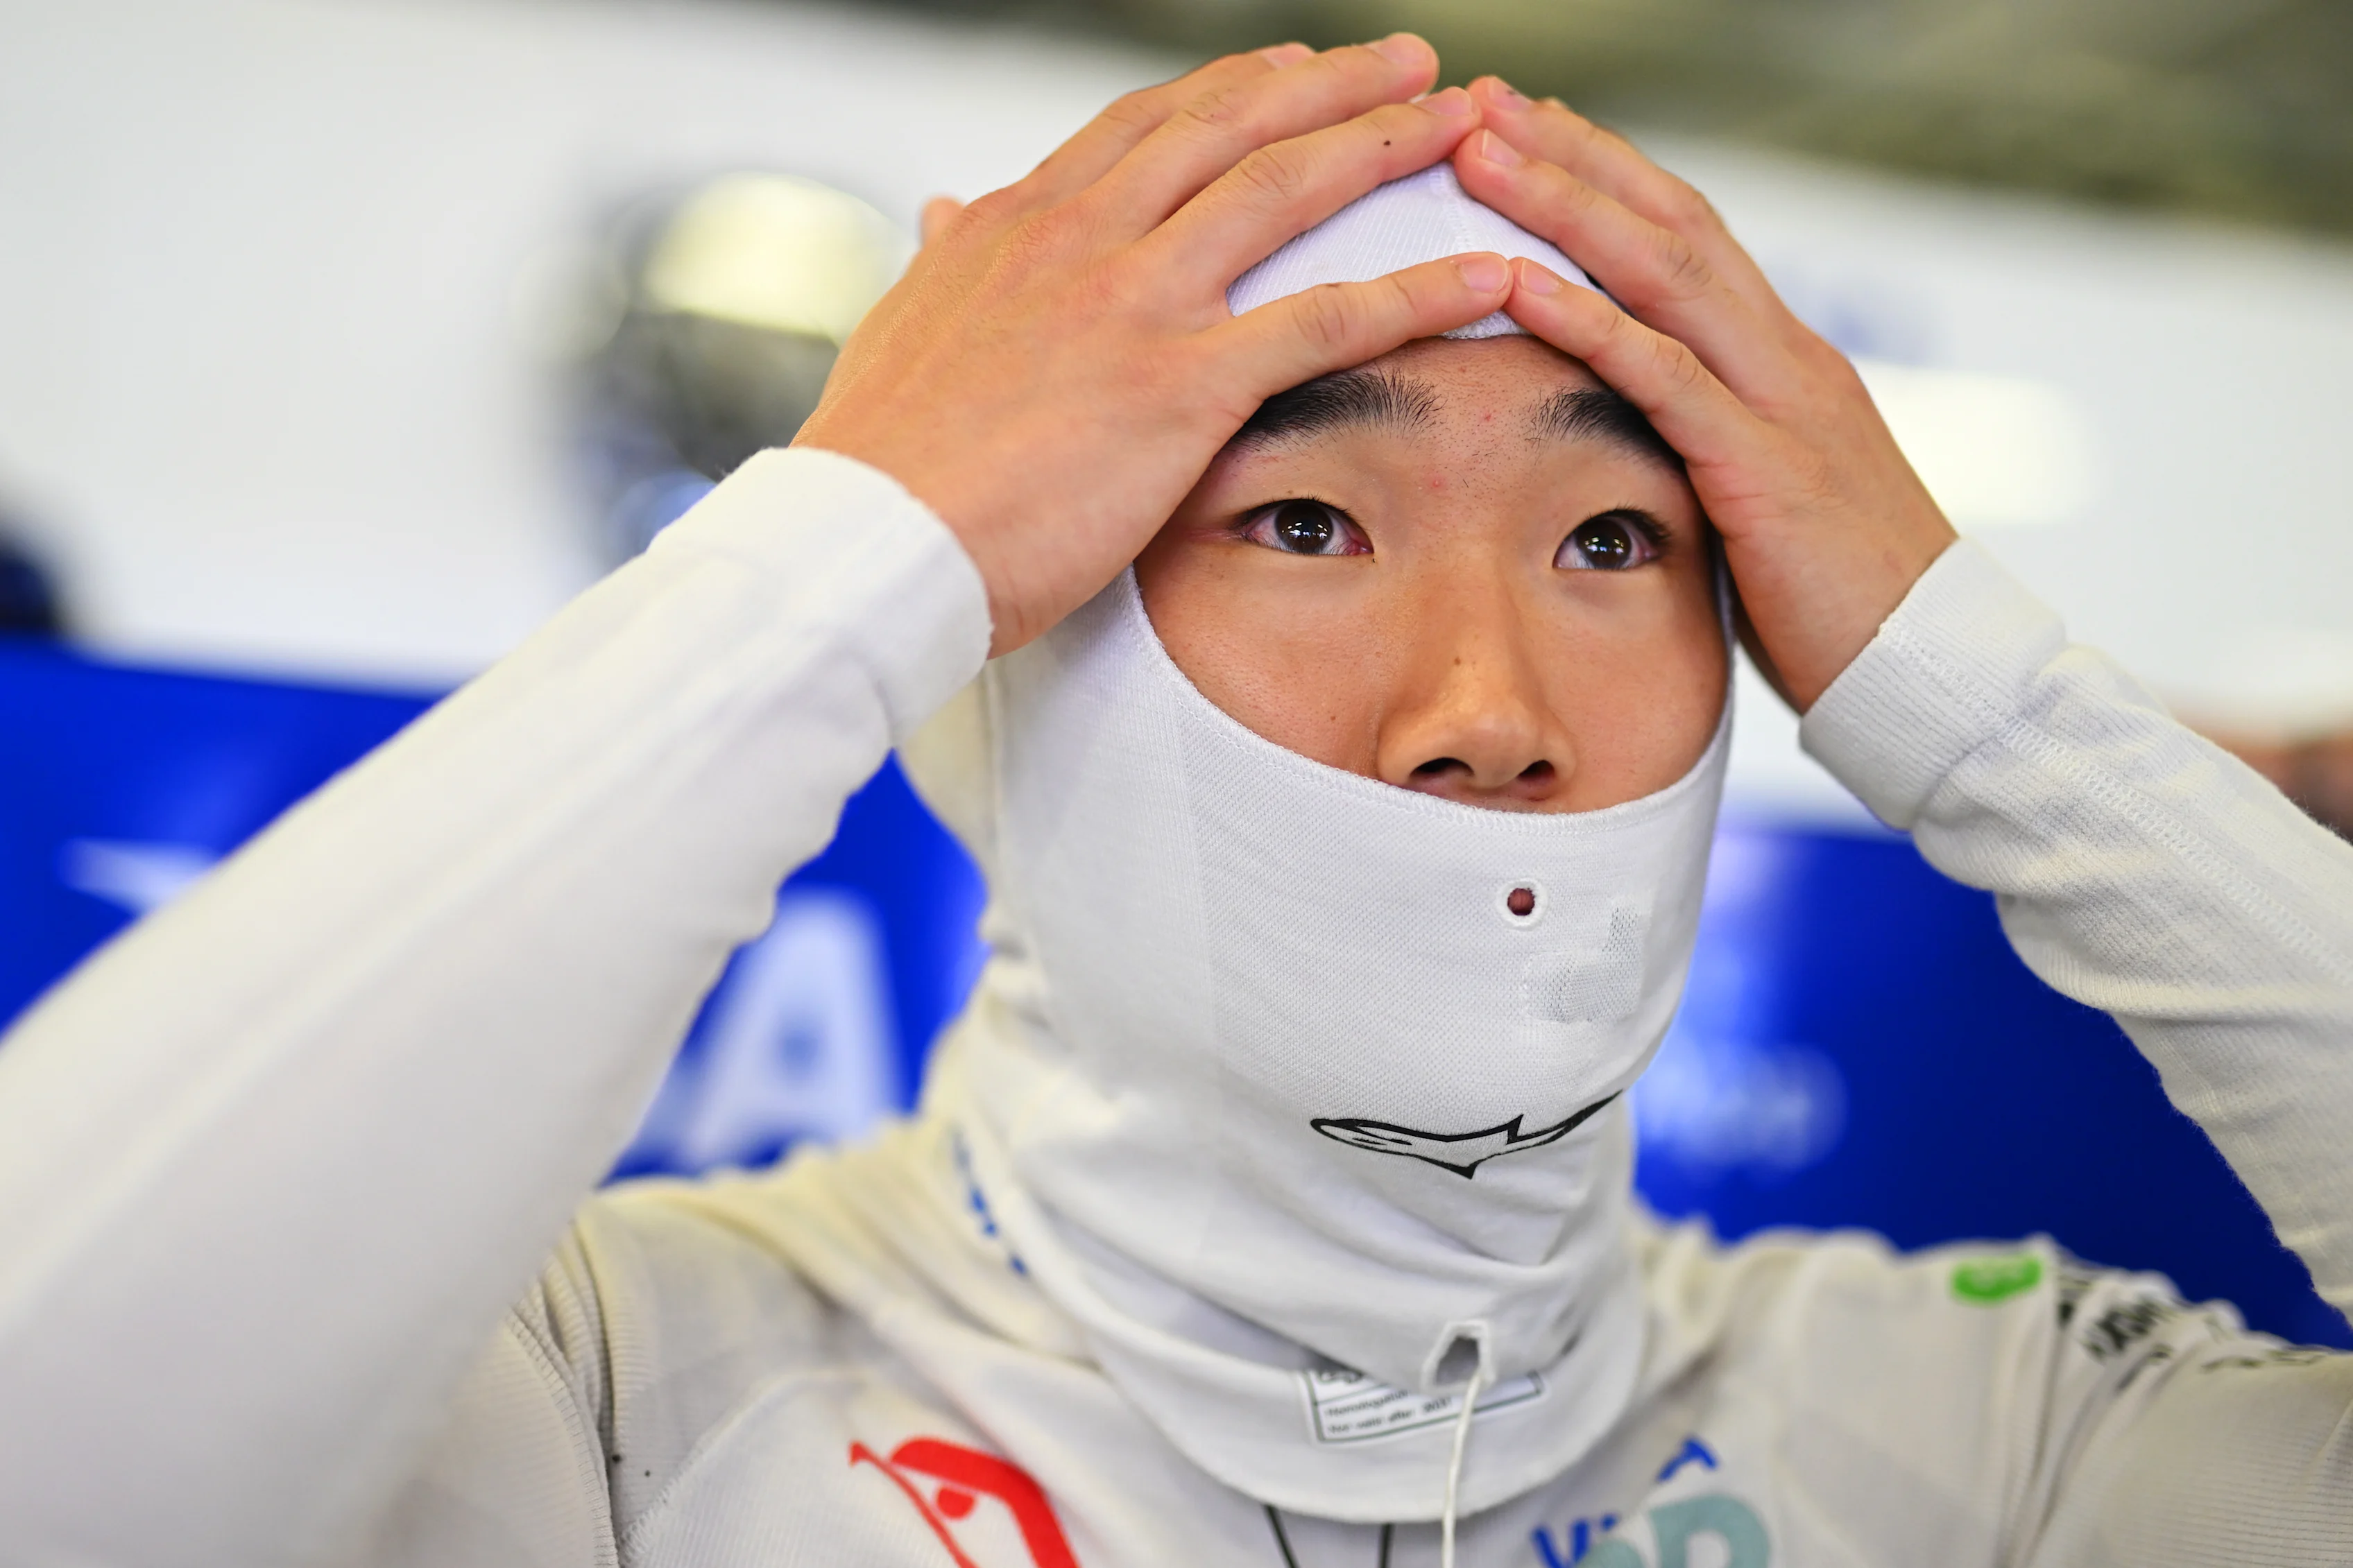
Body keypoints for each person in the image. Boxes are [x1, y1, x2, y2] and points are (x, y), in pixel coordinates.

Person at [0, 36, 2348, 1568]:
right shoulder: (615, 1391)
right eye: (1307, 525)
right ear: (995, 638)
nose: (1485, 712)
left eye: (1615, 541)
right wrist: (847, 551)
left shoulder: (1996, 1446)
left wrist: (1988, 694)